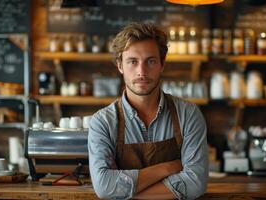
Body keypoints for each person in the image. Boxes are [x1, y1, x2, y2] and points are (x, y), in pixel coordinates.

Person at [88, 22, 208, 199]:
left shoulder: (188, 115)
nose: (141, 71)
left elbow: (196, 184)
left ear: (162, 64)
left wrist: (123, 193)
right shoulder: (102, 122)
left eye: (150, 61)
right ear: (120, 65)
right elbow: (104, 187)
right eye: (133, 61)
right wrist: (168, 168)